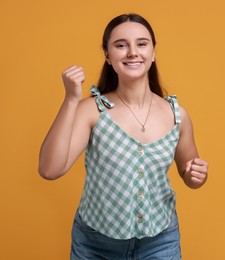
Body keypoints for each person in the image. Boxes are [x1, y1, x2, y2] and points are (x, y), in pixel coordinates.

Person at [38, 13, 208, 259]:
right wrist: (71, 100)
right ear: (107, 55)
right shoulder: (92, 110)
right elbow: (49, 170)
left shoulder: (176, 114)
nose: (132, 52)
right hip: (95, 244)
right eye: (120, 45)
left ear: (153, 51)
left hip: (160, 241)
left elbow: (190, 175)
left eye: (141, 43)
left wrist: (197, 175)